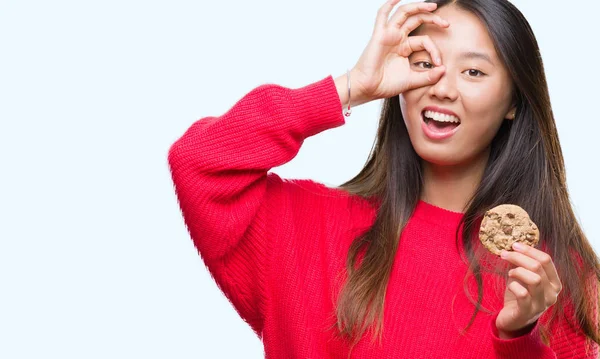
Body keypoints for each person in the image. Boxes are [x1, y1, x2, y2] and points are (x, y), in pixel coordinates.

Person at [167, 0, 600, 357]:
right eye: (425, 62)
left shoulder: (549, 275)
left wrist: (518, 338)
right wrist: (353, 85)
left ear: (513, 101)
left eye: (473, 71)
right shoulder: (307, 228)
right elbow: (198, 162)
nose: (442, 87)